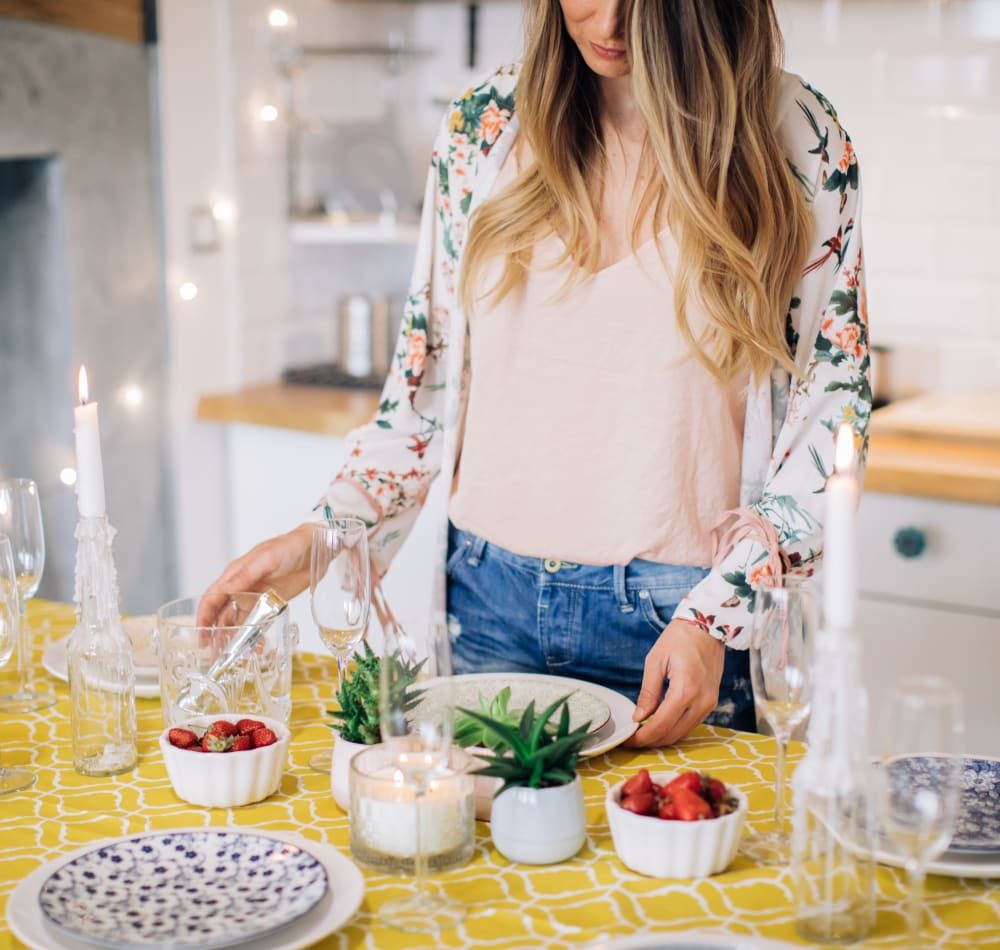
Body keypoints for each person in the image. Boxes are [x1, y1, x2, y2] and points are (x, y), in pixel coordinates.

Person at [200, 0, 870, 748]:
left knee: (675, 865)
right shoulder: (485, 127)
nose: (609, 22)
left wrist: (718, 616)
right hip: (488, 603)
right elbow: (422, 396)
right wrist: (324, 537)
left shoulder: (795, 139)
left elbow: (832, 413)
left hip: (679, 629)